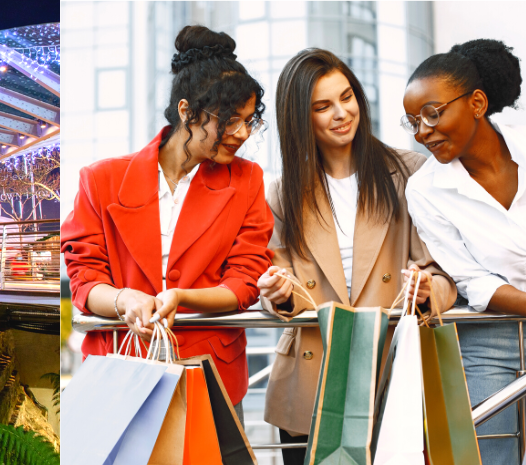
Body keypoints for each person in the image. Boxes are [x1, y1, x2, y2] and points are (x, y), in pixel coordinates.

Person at [61, 25, 274, 419]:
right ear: (186, 111)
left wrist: (182, 297)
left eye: (248, 120)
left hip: (212, 376)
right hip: (121, 373)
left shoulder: (247, 180)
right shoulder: (101, 180)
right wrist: (125, 299)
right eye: (229, 121)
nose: (242, 133)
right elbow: (85, 280)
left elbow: (245, 282)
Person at [257, 48, 457, 464]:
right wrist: (277, 292)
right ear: (300, 118)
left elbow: (442, 270)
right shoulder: (282, 192)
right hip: (312, 378)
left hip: (390, 369)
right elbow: (279, 282)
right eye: (322, 106)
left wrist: (425, 289)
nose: (341, 113)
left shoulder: (406, 172)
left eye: (346, 97)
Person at [402, 38, 526, 465]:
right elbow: (472, 280)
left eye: (432, 114)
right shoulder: (424, 190)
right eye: (413, 122)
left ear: (476, 103)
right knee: (491, 458)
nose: (422, 132)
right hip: (492, 339)